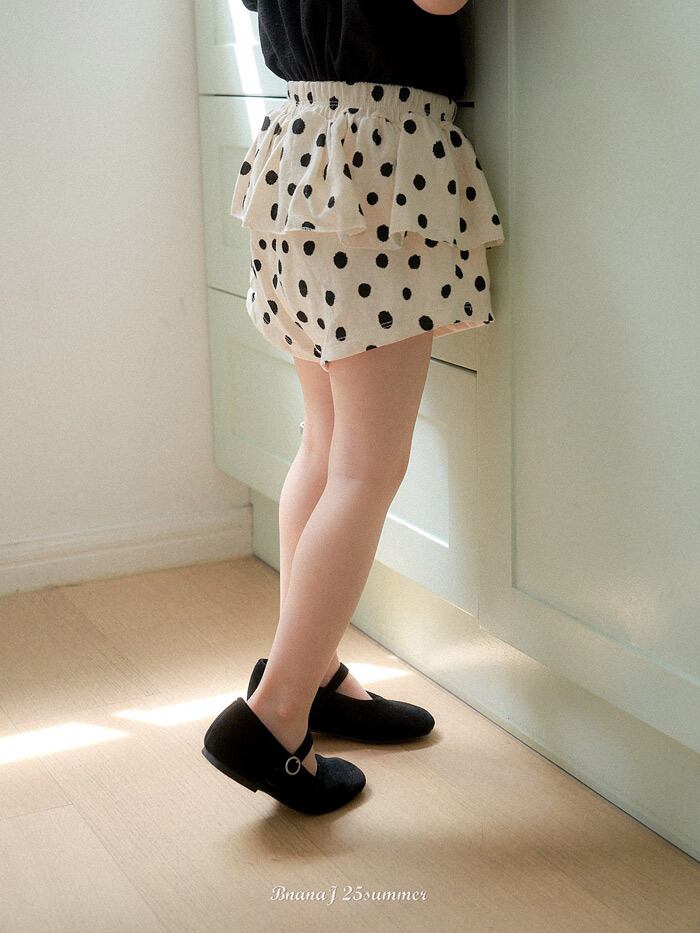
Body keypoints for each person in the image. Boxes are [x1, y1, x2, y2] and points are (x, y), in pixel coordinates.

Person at [202, 0, 505, 815]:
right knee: (366, 469)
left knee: (327, 447)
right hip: (377, 172)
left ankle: (312, 672)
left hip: (301, 156)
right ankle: (277, 712)